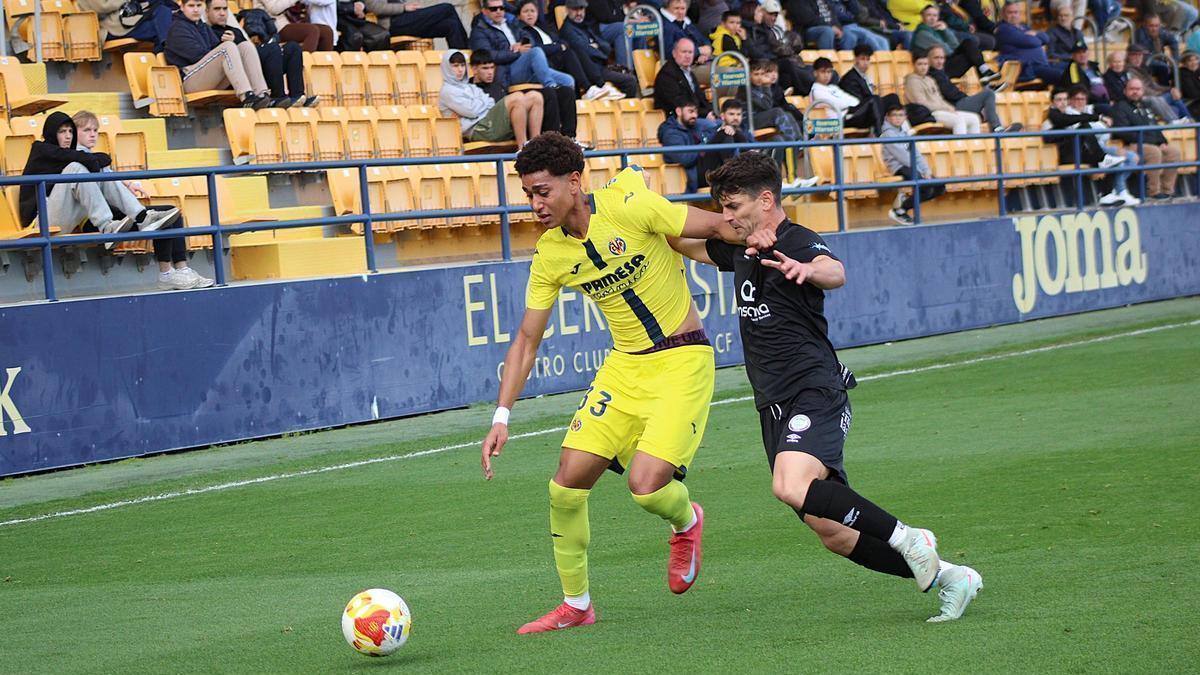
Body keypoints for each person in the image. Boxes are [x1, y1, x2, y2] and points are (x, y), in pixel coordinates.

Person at [666, 150, 982, 623]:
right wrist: (637, 216)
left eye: (733, 207)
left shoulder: (796, 239)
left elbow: (834, 270)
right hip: (772, 403)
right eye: (723, 209)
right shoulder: (740, 247)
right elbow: (678, 239)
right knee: (832, 532)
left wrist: (806, 270)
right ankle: (953, 577)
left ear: (766, 199)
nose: (724, 217)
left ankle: (909, 538)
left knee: (790, 486)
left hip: (814, 389)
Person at [480, 132, 754, 634]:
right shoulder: (551, 254)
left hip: (682, 359)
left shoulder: (629, 204)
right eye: (528, 195)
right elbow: (525, 339)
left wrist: (770, 233)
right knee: (566, 482)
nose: (535, 204)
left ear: (574, 182)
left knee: (646, 488)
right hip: (624, 367)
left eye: (543, 191)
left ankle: (686, 521)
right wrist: (502, 416)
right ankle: (577, 605)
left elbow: (714, 225)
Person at [70, 111, 213, 290]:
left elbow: (109, 178)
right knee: (165, 216)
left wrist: (127, 184)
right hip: (93, 219)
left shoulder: (94, 157)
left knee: (170, 213)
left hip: (116, 212)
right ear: (75, 133)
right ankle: (167, 274)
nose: (93, 134)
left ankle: (181, 270)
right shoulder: (74, 159)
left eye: (95, 130)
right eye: (86, 130)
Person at [165, 0, 273, 108]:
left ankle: (262, 94)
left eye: (199, 5)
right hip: (189, 80)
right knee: (227, 47)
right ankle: (246, 96)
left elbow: (215, 47)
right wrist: (226, 50)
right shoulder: (177, 28)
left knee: (245, 46)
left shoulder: (202, 26)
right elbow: (197, 56)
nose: (196, 9)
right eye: (191, 6)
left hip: (206, 75)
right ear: (182, 7)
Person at [207, 0, 316, 107]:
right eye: (217, 9)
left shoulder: (235, 31)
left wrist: (236, 39)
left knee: (293, 47)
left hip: (256, 70)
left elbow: (248, 50)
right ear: (207, 12)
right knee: (272, 49)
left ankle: (297, 96)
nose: (222, 13)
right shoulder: (206, 30)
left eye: (225, 9)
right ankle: (277, 97)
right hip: (236, 77)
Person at [1043, 87, 1139, 206]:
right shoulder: (1052, 115)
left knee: (1114, 161)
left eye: (1065, 99)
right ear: (1052, 102)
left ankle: (1107, 194)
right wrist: (1096, 117)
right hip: (1062, 156)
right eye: (1059, 100)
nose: (1062, 102)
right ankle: (1102, 159)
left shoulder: (1066, 114)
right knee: (1084, 128)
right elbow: (1065, 120)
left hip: (1079, 152)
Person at [439, 50, 541, 147]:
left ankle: (536, 145)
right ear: (447, 68)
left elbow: (490, 102)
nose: (460, 69)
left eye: (462, 65)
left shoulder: (470, 87)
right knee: (517, 97)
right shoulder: (447, 91)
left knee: (535, 97)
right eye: (455, 66)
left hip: (489, 122)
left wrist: (478, 103)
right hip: (477, 129)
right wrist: (482, 103)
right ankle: (523, 148)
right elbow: (472, 111)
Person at [471, 49, 577, 141]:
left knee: (566, 92)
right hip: (506, 123)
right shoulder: (470, 89)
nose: (490, 72)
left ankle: (570, 138)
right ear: (475, 69)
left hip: (520, 115)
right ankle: (553, 142)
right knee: (548, 94)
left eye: (492, 68)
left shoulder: (498, 81)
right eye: (485, 68)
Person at [470, 0, 575, 91]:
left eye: (501, 8)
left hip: (526, 65)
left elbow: (529, 38)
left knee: (568, 80)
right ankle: (550, 86)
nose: (498, 11)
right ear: (484, 11)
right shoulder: (479, 31)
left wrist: (521, 44)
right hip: (506, 72)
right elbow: (487, 56)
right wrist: (515, 52)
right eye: (493, 9)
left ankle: (563, 109)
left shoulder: (510, 23)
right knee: (536, 52)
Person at [515, 0, 603, 100]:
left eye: (532, 11)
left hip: (556, 56)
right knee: (568, 53)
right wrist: (557, 47)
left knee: (573, 49)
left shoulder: (542, 26)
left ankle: (597, 85)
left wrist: (560, 45)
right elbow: (535, 49)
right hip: (544, 63)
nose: (530, 14)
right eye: (526, 11)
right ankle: (588, 88)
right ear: (519, 15)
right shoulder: (522, 31)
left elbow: (560, 40)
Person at [1110, 76, 1182, 200]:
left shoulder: (1145, 106)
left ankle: (1168, 190)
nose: (1135, 92)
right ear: (1125, 91)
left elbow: (1154, 126)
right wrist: (1151, 142)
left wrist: (1162, 141)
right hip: (1130, 145)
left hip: (1150, 143)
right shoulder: (1120, 107)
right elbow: (1123, 132)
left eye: (1138, 89)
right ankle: (1154, 191)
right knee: (1154, 152)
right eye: (1132, 89)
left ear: (1143, 91)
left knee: (1173, 152)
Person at [926, 44, 1022, 131]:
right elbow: (950, 93)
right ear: (928, 59)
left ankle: (997, 126)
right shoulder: (932, 74)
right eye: (936, 58)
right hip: (954, 105)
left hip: (958, 102)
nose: (940, 61)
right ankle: (996, 128)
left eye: (942, 58)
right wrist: (970, 100)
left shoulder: (940, 72)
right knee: (988, 94)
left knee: (986, 98)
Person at [559, 0, 640, 99]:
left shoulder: (586, 25)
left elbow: (606, 47)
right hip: (593, 70)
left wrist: (595, 46)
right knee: (629, 81)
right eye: (575, 9)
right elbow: (584, 50)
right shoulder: (568, 30)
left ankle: (623, 111)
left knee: (630, 79)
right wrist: (595, 48)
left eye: (581, 9)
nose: (579, 13)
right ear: (567, 10)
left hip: (600, 66)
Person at [879, 104, 945, 223]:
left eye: (901, 115)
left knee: (939, 186)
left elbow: (916, 154)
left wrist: (926, 170)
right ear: (888, 117)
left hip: (912, 166)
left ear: (905, 117)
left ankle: (902, 207)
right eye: (894, 115)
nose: (898, 118)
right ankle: (900, 210)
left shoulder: (903, 132)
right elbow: (903, 156)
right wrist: (920, 171)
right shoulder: (888, 133)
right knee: (924, 184)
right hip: (899, 167)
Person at [911, 4, 1000, 83]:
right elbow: (947, 51)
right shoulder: (922, 33)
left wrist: (946, 31)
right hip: (937, 70)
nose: (932, 18)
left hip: (946, 62)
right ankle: (986, 78)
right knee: (971, 54)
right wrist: (947, 41)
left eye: (935, 15)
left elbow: (955, 45)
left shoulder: (937, 30)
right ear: (922, 17)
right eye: (929, 15)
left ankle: (985, 72)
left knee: (968, 43)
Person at [904, 51, 981, 132]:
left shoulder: (930, 79)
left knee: (974, 118)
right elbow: (921, 103)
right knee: (959, 120)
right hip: (930, 113)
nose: (923, 67)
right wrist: (945, 108)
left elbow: (939, 98)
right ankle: (959, 144)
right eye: (920, 64)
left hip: (941, 110)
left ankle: (971, 144)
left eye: (925, 64)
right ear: (913, 65)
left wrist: (950, 108)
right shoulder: (911, 81)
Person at [995, 1, 1066, 83]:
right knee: (1063, 75)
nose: (1013, 15)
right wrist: (1035, 36)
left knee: (1073, 68)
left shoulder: (1024, 28)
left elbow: (1046, 38)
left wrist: (1035, 34)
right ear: (1003, 15)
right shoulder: (1004, 29)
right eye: (1010, 12)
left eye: (1016, 12)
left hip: (1044, 64)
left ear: (1019, 14)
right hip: (1029, 68)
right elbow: (1032, 42)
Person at [810, 57, 882, 134]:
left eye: (829, 72)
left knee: (887, 99)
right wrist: (847, 105)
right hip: (838, 121)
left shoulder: (833, 87)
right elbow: (838, 104)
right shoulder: (816, 91)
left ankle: (879, 134)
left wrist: (847, 105)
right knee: (873, 100)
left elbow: (853, 100)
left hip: (849, 114)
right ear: (815, 73)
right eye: (823, 72)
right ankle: (879, 136)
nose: (826, 75)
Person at [1106, 49, 1181, 121]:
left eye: (1119, 62)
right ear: (1110, 64)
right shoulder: (1108, 77)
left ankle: (1184, 120)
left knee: (1173, 102)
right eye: (1115, 62)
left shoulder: (1126, 73)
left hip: (1135, 97)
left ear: (1123, 62)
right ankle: (1173, 121)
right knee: (1154, 99)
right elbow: (1116, 94)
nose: (1118, 64)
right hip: (1126, 100)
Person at [659, 100, 718, 191]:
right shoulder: (671, 134)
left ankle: (735, 175)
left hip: (703, 169)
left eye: (696, 112)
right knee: (723, 137)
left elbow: (717, 125)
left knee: (727, 133)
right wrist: (703, 147)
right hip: (692, 175)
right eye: (690, 111)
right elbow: (684, 159)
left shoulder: (695, 124)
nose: (695, 115)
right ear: (679, 111)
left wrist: (726, 127)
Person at [77, 0, 176, 52]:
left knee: (162, 10)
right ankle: (166, 56)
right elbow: (101, 6)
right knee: (157, 29)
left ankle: (167, 51)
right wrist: (126, 1)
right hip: (109, 27)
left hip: (123, 20)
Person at [358, 0, 467, 46]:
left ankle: (461, 59)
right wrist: (403, 7)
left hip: (407, 18)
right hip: (393, 23)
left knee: (450, 25)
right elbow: (376, 7)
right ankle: (468, 51)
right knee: (447, 8)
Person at [654, 38, 716, 118]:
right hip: (676, 120)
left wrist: (710, 112)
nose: (687, 56)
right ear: (674, 53)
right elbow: (679, 103)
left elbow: (700, 99)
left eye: (690, 52)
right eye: (684, 52)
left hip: (694, 117)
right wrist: (705, 114)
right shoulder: (667, 74)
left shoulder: (689, 73)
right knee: (713, 126)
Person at [1126, 45, 1192, 119]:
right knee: (1173, 98)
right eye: (1134, 55)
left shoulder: (1143, 69)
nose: (1138, 58)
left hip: (1154, 97)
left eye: (1140, 55)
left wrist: (1170, 89)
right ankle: (1189, 123)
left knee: (1175, 106)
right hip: (1145, 99)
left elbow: (1154, 86)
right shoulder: (1128, 71)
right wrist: (1163, 93)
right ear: (1128, 56)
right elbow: (1144, 90)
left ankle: (1188, 123)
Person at [700, 98, 751, 181]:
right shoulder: (711, 130)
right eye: (731, 114)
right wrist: (722, 133)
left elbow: (751, 149)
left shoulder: (746, 132)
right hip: (714, 171)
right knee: (726, 136)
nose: (735, 117)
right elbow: (703, 153)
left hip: (744, 171)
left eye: (738, 114)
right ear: (723, 116)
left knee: (776, 140)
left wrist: (736, 133)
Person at [254, 0, 335, 51]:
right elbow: (274, 8)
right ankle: (303, 65)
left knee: (327, 31)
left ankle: (324, 67)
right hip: (275, 27)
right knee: (312, 30)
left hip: (292, 23)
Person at [1059, 40, 1110, 112]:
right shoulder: (1072, 68)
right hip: (1087, 103)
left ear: (1088, 53)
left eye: (1084, 52)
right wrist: (1099, 99)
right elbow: (1078, 89)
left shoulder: (1094, 67)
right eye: (1078, 53)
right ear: (1073, 56)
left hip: (1104, 100)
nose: (1082, 55)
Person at [1179, 50, 1200, 119]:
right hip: (1191, 104)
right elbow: (1192, 94)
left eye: (1196, 59)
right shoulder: (1182, 74)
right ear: (1184, 63)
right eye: (1190, 61)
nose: (1194, 63)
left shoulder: (1198, 71)